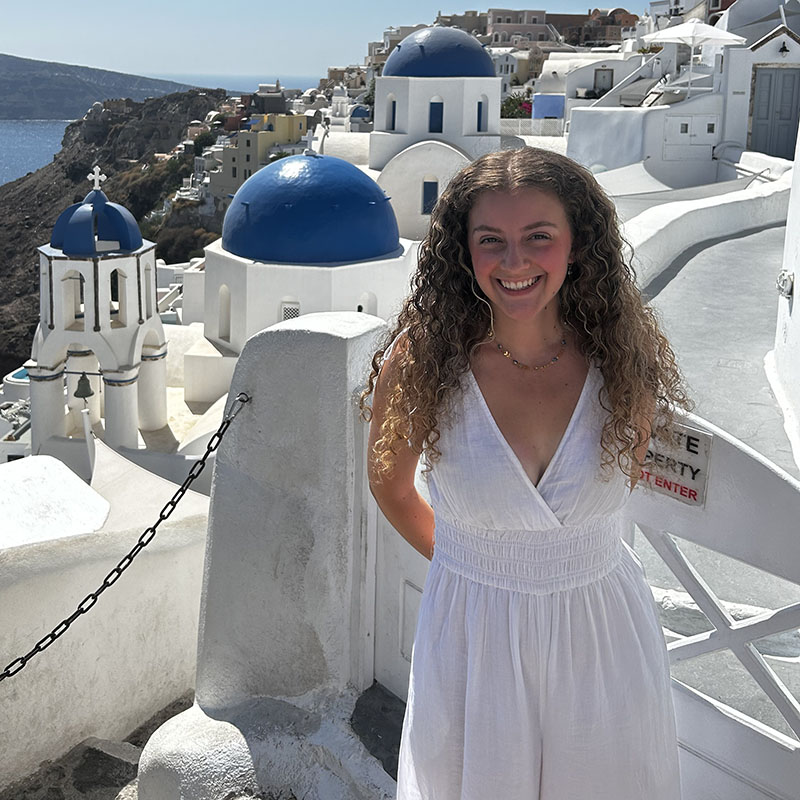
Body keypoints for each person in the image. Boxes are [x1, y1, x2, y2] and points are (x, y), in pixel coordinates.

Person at [361, 147, 691, 800]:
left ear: (577, 244)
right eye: (492, 241)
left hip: (604, 633)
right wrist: (475, 560)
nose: (514, 262)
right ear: (463, 251)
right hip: (472, 635)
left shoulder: (623, 362)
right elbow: (390, 485)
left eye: (538, 236)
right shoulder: (424, 360)